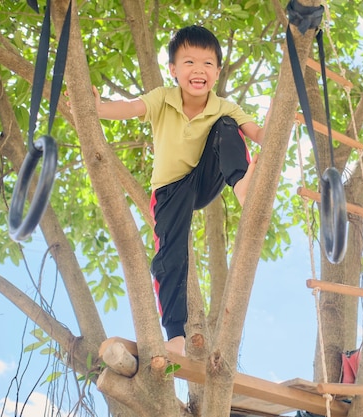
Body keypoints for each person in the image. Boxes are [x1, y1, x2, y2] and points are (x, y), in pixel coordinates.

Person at [92, 25, 267, 356]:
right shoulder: (162, 98)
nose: (198, 70)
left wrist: (278, 118)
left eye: (207, 64)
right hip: (170, 192)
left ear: (216, 71)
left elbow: (257, 133)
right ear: (173, 70)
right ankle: (175, 336)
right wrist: (99, 108)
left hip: (204, 180)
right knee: (170, 256)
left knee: (226, 127)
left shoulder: (223, 106)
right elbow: (129, 108)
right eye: (188, 62)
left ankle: (242, 185)